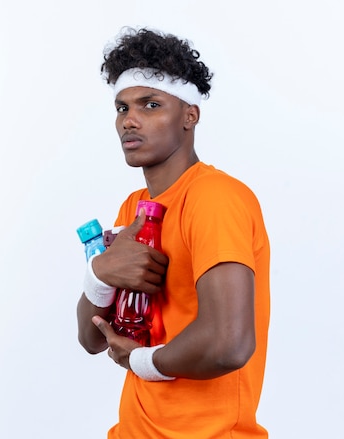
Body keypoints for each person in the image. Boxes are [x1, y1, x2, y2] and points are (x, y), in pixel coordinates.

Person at [77, 27, 271, 438]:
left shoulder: (215, 198)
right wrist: (99, 273)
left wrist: (141, 361)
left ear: (189, 115)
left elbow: (229, 344)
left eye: (150, 105)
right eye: (121, 107)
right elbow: (93, 339)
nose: (129, 119)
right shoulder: (133, 209)